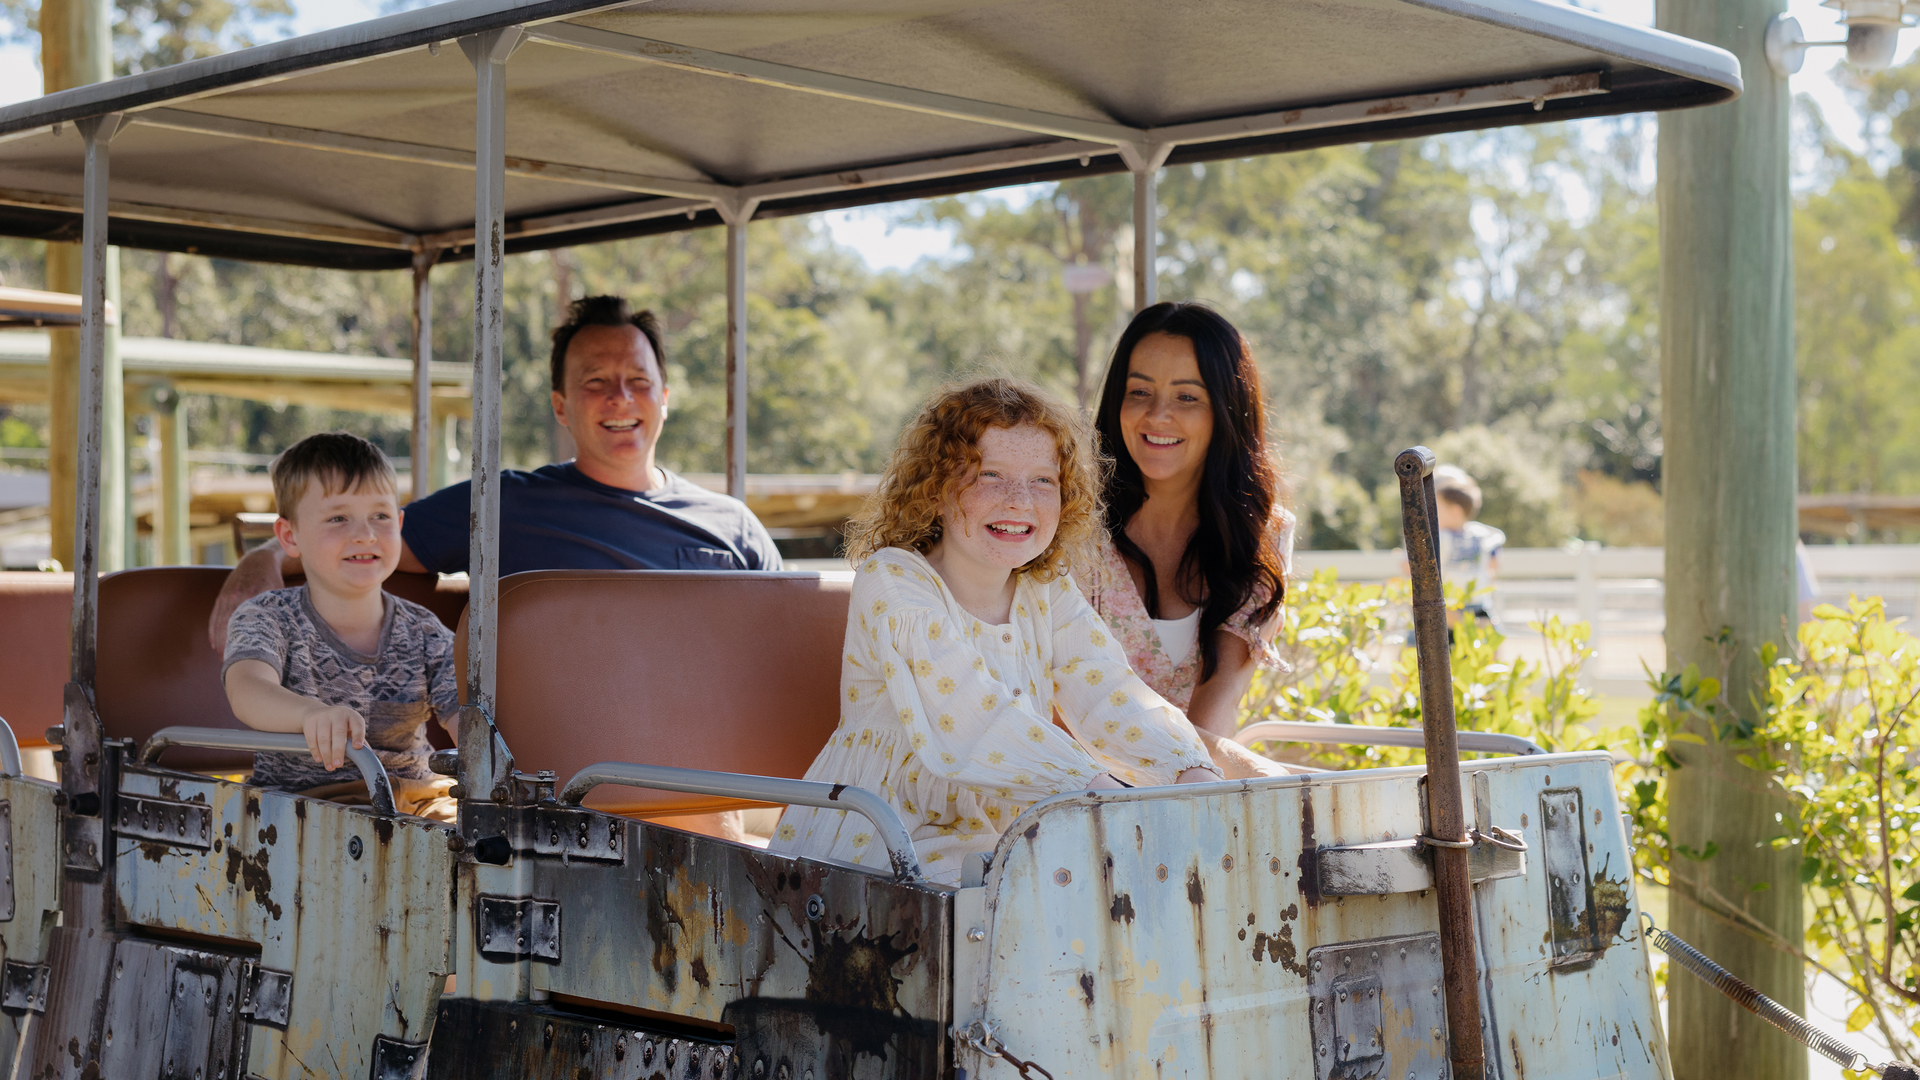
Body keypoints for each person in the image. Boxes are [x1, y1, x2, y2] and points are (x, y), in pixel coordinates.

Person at [767, 377, 1221, 884]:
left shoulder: (1045, 590)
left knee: (1141, 879)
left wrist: (1188, 771)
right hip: (889, 832)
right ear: (935, 490)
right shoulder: (896, 580)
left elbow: (1109, 691)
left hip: (1004, 829)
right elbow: (970, 719)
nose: (1019, 501)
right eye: (990, 475)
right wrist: (1098, 790)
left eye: (1043, 481)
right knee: (1041, 889)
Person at [208, 294, 782, 651]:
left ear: (665, 397)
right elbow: (364, 540)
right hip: (581, 772)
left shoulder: (733, 526)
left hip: (718, 763)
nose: (620, 399)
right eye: (595, 383)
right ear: (561, 406)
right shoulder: (505, 505)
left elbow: (787, 644)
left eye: (638, 381)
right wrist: (261, 562)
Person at [1074, 302, 1294, 777]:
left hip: (1192, 789)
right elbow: (1065, 716)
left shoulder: (1261, 534)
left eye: (1187, 397)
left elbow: (1214, 709)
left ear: (1226, 410)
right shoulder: (1070, 526)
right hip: (1069, 799)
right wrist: (1261, 773)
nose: (1157, 415)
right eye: (1139, 392)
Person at [221, 433, 458, 820]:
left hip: (414, 802)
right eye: (338, 518)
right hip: (306, 806)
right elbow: (247, 688)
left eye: (380, 516)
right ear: (289, 536)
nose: (365, 534)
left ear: (398, 524)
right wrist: (310, 714)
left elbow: (467, 716)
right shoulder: (267, 616)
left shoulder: (425, 631)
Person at [1433, 465, 1504, 626]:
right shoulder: (1482, 532)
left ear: (1456, 511)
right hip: (1478, 601)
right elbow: (1495, 559)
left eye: (1437, 509)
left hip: (1449, 604)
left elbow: (1410, 565)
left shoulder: (1440, 537)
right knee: (1489, 637)